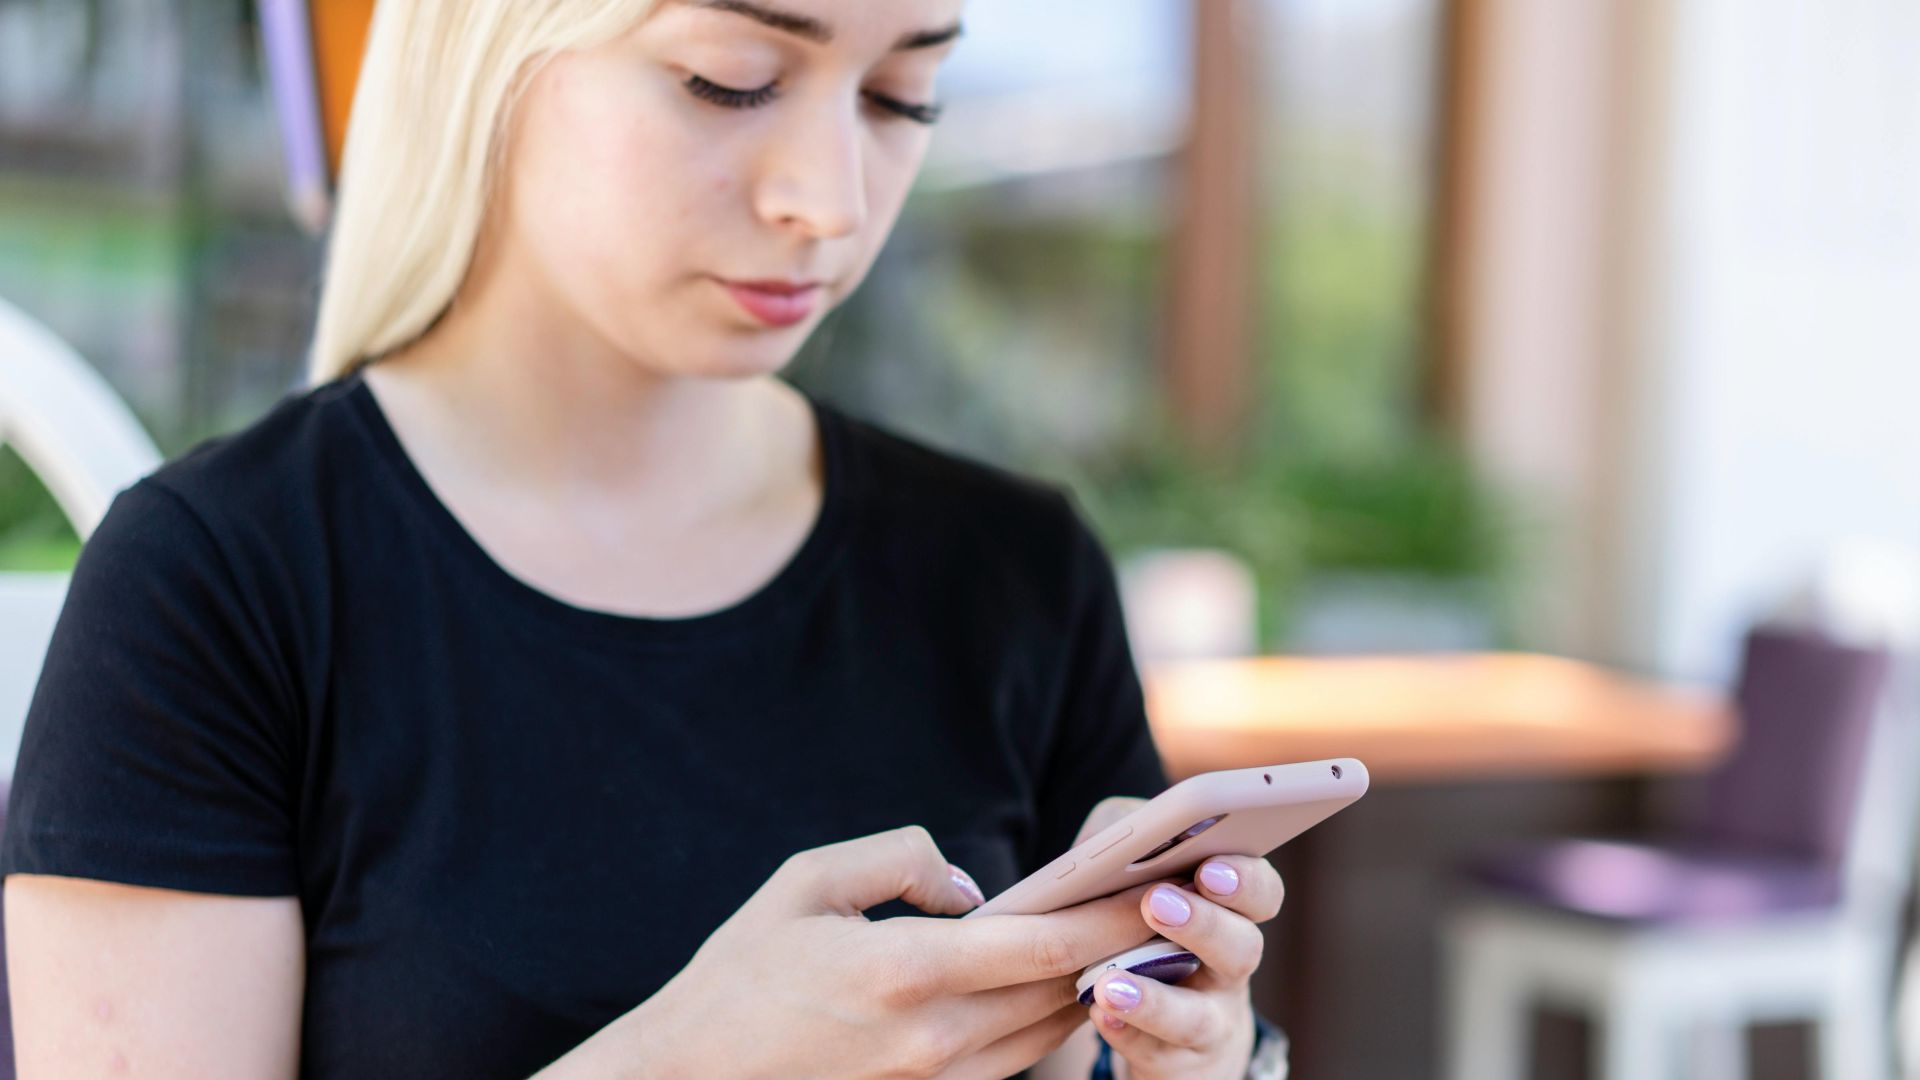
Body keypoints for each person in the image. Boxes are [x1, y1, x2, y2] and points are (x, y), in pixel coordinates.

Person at [0, 1, 1289, 1076]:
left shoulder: (1015, 573)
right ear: (492, 42)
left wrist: (1204, 1054)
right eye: (728, 81)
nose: (828, 203)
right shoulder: (219, 583)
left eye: (902, 97)